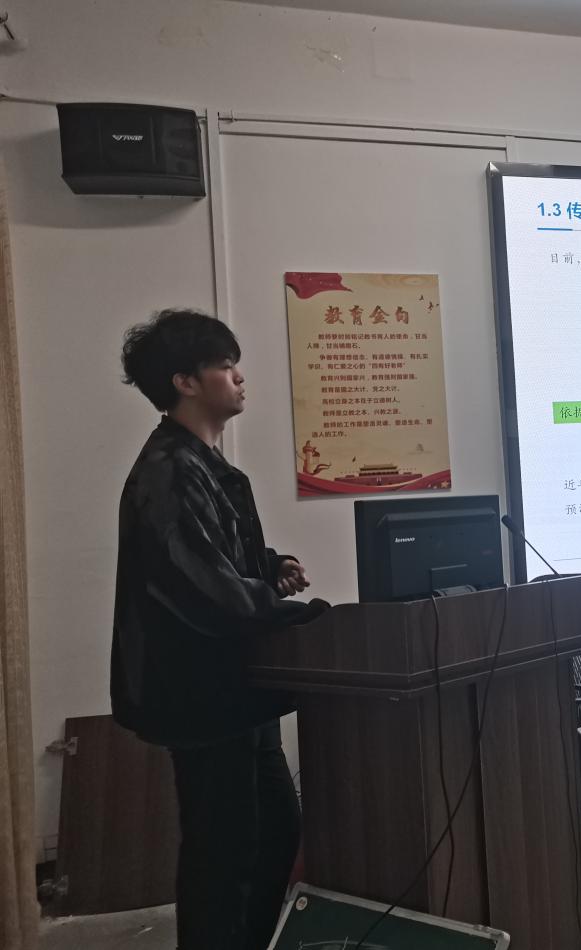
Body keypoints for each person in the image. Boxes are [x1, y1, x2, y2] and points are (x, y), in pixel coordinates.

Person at [111, 308, 326, 950]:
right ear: (185, 381)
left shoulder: (203, 464)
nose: (239, 378)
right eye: (225, 367)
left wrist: (272, 566)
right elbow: (202, 587)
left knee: (272, 838)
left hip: (241, 690)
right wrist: (301, 615)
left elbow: (223, 559)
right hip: (203, 697)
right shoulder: (169, 470)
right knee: (223, 855)